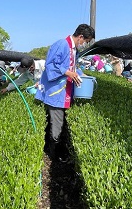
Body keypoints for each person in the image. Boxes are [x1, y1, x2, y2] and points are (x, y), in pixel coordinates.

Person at [35, 24, 95, 162]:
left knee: (60, 124)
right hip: (55, 93)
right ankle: (53, 156)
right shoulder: (62, 44)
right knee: (57, 125)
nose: (85, 44)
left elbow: (72, 67)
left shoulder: (73, 50)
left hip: (64, 92)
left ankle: (58, 150)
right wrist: (67, 72)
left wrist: (81, 74)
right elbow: (50, 65)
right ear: (80, 37)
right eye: (86, 41)